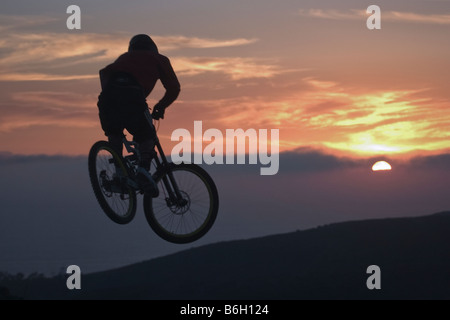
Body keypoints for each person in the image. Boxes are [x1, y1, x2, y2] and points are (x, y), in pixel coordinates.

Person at [97, 34, 180, 196]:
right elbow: (174, 88)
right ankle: (143, 170)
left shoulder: (124, 57)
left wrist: (111, 93)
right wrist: (160, 107)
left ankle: (120, 174)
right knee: (146, 136)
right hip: (132, 95)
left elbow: (104, 72)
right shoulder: (158, 58)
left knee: (114, 134)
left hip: (108, 98)